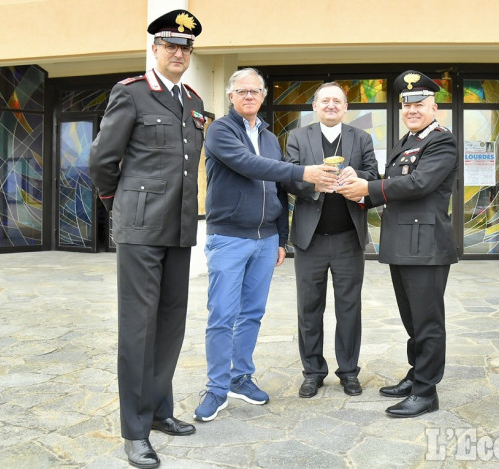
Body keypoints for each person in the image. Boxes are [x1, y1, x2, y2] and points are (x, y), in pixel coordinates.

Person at [88, 9, 204, 468]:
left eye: (185, 47)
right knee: (138, 328)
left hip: (178, 228)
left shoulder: (193, 102)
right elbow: (101, 161)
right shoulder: (132, 93)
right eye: (170, 45)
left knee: (170, 324)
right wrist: (121, 205)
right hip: (140, 229)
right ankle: (135, 431)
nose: (178, 53)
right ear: (155, 49)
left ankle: (159, 411)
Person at [194, 68, 337, 422]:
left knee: (252, 314)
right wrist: (305, 172)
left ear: (262, 96)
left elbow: (276, 189)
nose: (248, 96)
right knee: (222, 316)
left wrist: (281, 239)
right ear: (231, 96)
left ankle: (240, 377)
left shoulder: (271, 138)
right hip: (228, 237)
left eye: (254, 91)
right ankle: (216, 387)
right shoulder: (219, 131)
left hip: (265, 240)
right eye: (241, 91)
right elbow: (249, 165)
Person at [337, 70, 458, 417]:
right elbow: (391, 185)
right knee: (412, 319)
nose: (412, 109)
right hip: (403, 244)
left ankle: (426, 391)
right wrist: (357, 189)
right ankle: (416, 372)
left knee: (428, 321)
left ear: (435, 107)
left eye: (419, 103)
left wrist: (368, 189)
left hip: (427, 245)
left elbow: (419, 183)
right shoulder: (407, 141)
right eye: (407, 104)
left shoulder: (442, 141)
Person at [282, 82, 379, 398]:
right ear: (314, 106)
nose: (331, 105)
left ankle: (349, 372)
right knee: (309, 309)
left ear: (345, 107)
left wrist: (359, 180)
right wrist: (312, 185)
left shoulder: (361, 138)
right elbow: (288, 178)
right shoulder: (298, 137)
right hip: (310, 240)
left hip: (348, 238)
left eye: (337, 100)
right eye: (325, 100)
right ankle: (312, 372)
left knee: (349, 308)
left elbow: (374, 179)